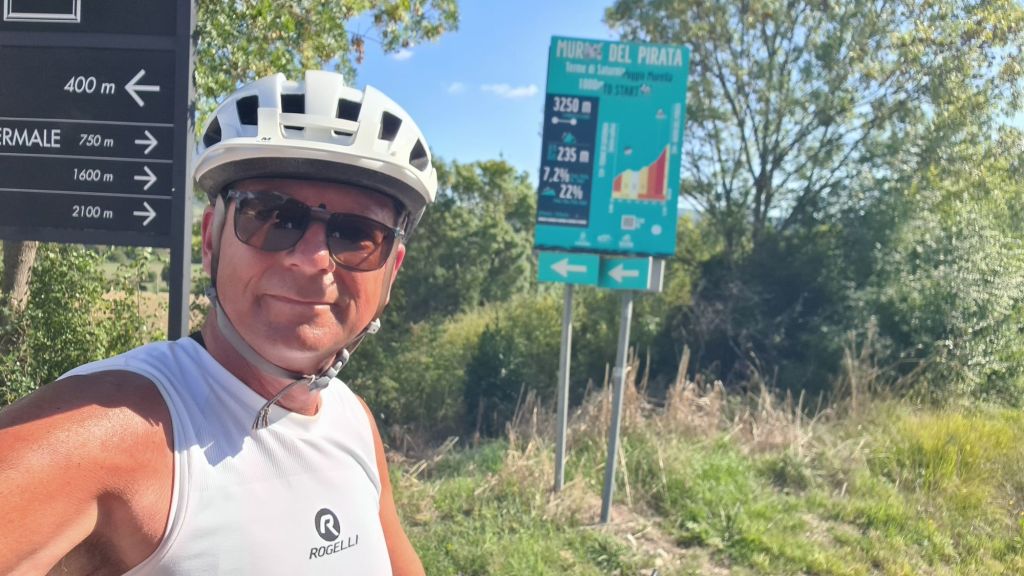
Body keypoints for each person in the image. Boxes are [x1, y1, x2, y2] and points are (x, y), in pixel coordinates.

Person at [0, 70, 436, 575]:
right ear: (211, 241)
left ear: (392, 271)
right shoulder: (113, 427)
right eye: (273, 217)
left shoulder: (352, 421)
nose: (313, 258)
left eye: (358, 234)